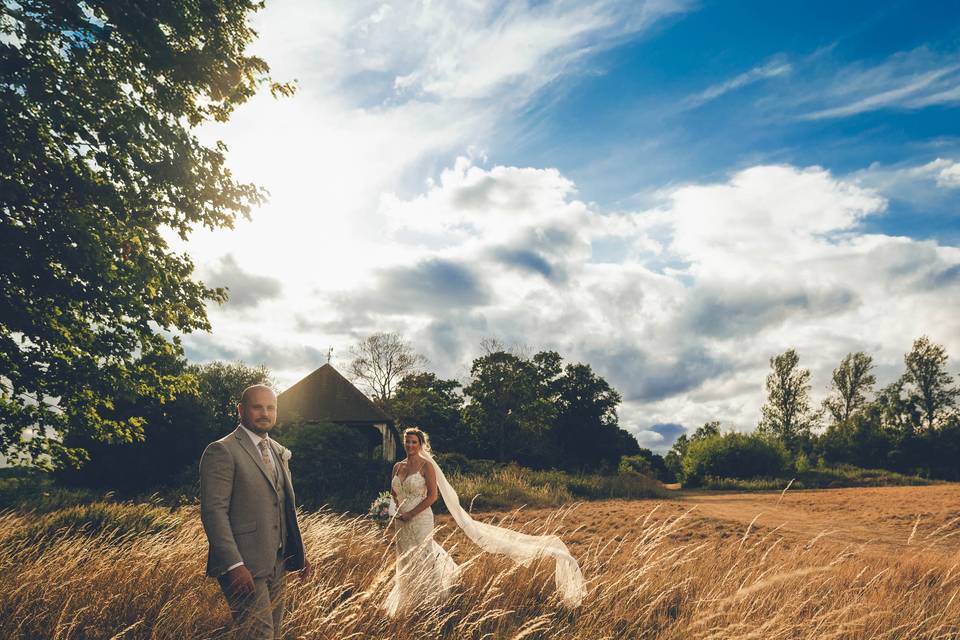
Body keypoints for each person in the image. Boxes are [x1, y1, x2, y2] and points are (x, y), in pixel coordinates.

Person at [385, 427, 585, 616]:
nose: (410, 445)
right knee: (404, 557)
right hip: (401, 521)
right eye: (407, 442)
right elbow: (394, 492)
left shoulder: (426, 466)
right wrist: (395, 509)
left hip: (420, 518)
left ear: (420, 444)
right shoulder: (398, 466)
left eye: (413, 442)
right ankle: (407, 600)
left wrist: (411, 513)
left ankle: (429, 599)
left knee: (422, 555)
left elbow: (432, 496)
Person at [199, 384, 311, 639]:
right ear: (241, 410)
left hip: (278, 561)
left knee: (273, 634)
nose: (264, 413)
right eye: (257, 407)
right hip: (244, 564)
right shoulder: (222, 450)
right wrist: (234, 565)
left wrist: (298, 551)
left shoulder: (278, 451)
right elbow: (213, 512)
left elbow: (282, 505)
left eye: (270, 407)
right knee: (258, 636)